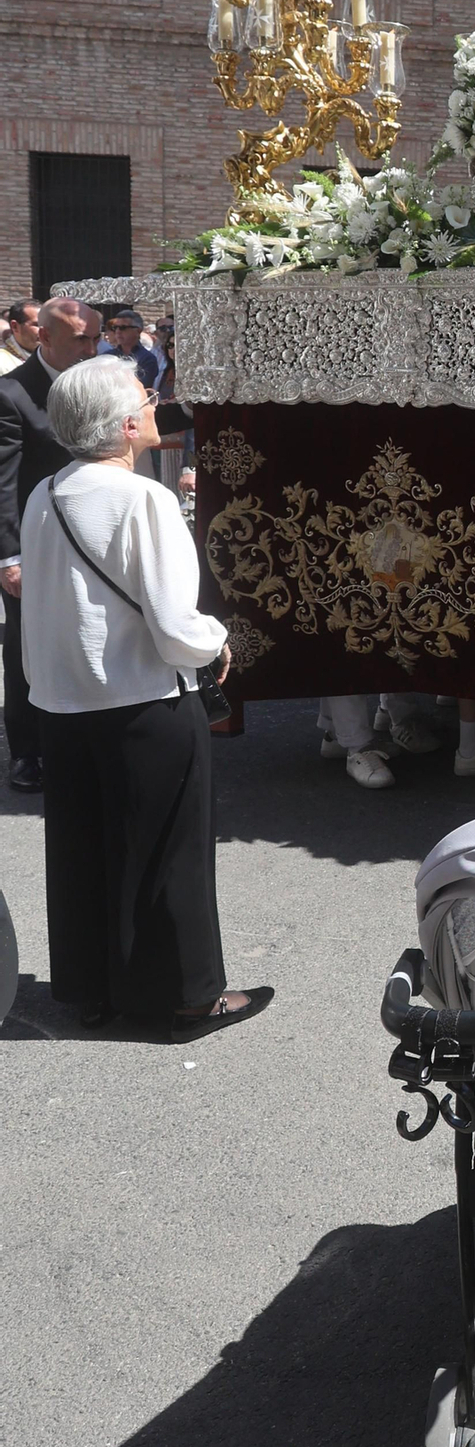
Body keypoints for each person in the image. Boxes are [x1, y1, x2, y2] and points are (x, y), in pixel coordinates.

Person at [18, 360, 270, 1035]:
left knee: (83, 850)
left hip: (62, 703)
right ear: (127, 425)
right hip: (143, 699)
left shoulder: (45, 491)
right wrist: (216, 639)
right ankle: (190, 996)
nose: (157, 404)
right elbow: (174, 623)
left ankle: (93, 988)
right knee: (167, 852)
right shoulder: (144, 498)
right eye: (147, 397)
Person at [0, 295, 102, 791]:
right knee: (28, 646)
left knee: (89, 636)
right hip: (35, 545)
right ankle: (27, 751)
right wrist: (10, 557)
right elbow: (3, 483)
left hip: (95, 539)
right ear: (43, 336)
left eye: (96, 338)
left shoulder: (99, 380)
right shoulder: (11, 395)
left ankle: (84, 740)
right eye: (80, 339)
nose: (91, 349)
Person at [101, 309, 161, 392]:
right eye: (115, 328)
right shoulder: (107, 356)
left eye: (123, 328)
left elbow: (140, 388)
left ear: (138, 331)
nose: (117, 331)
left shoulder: (148, 359)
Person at [0, 299, 39, 374]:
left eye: (47, 325)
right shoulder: (2, 362)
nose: (45, 331)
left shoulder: (55, 358)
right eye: (37, 325)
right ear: (15, 327)